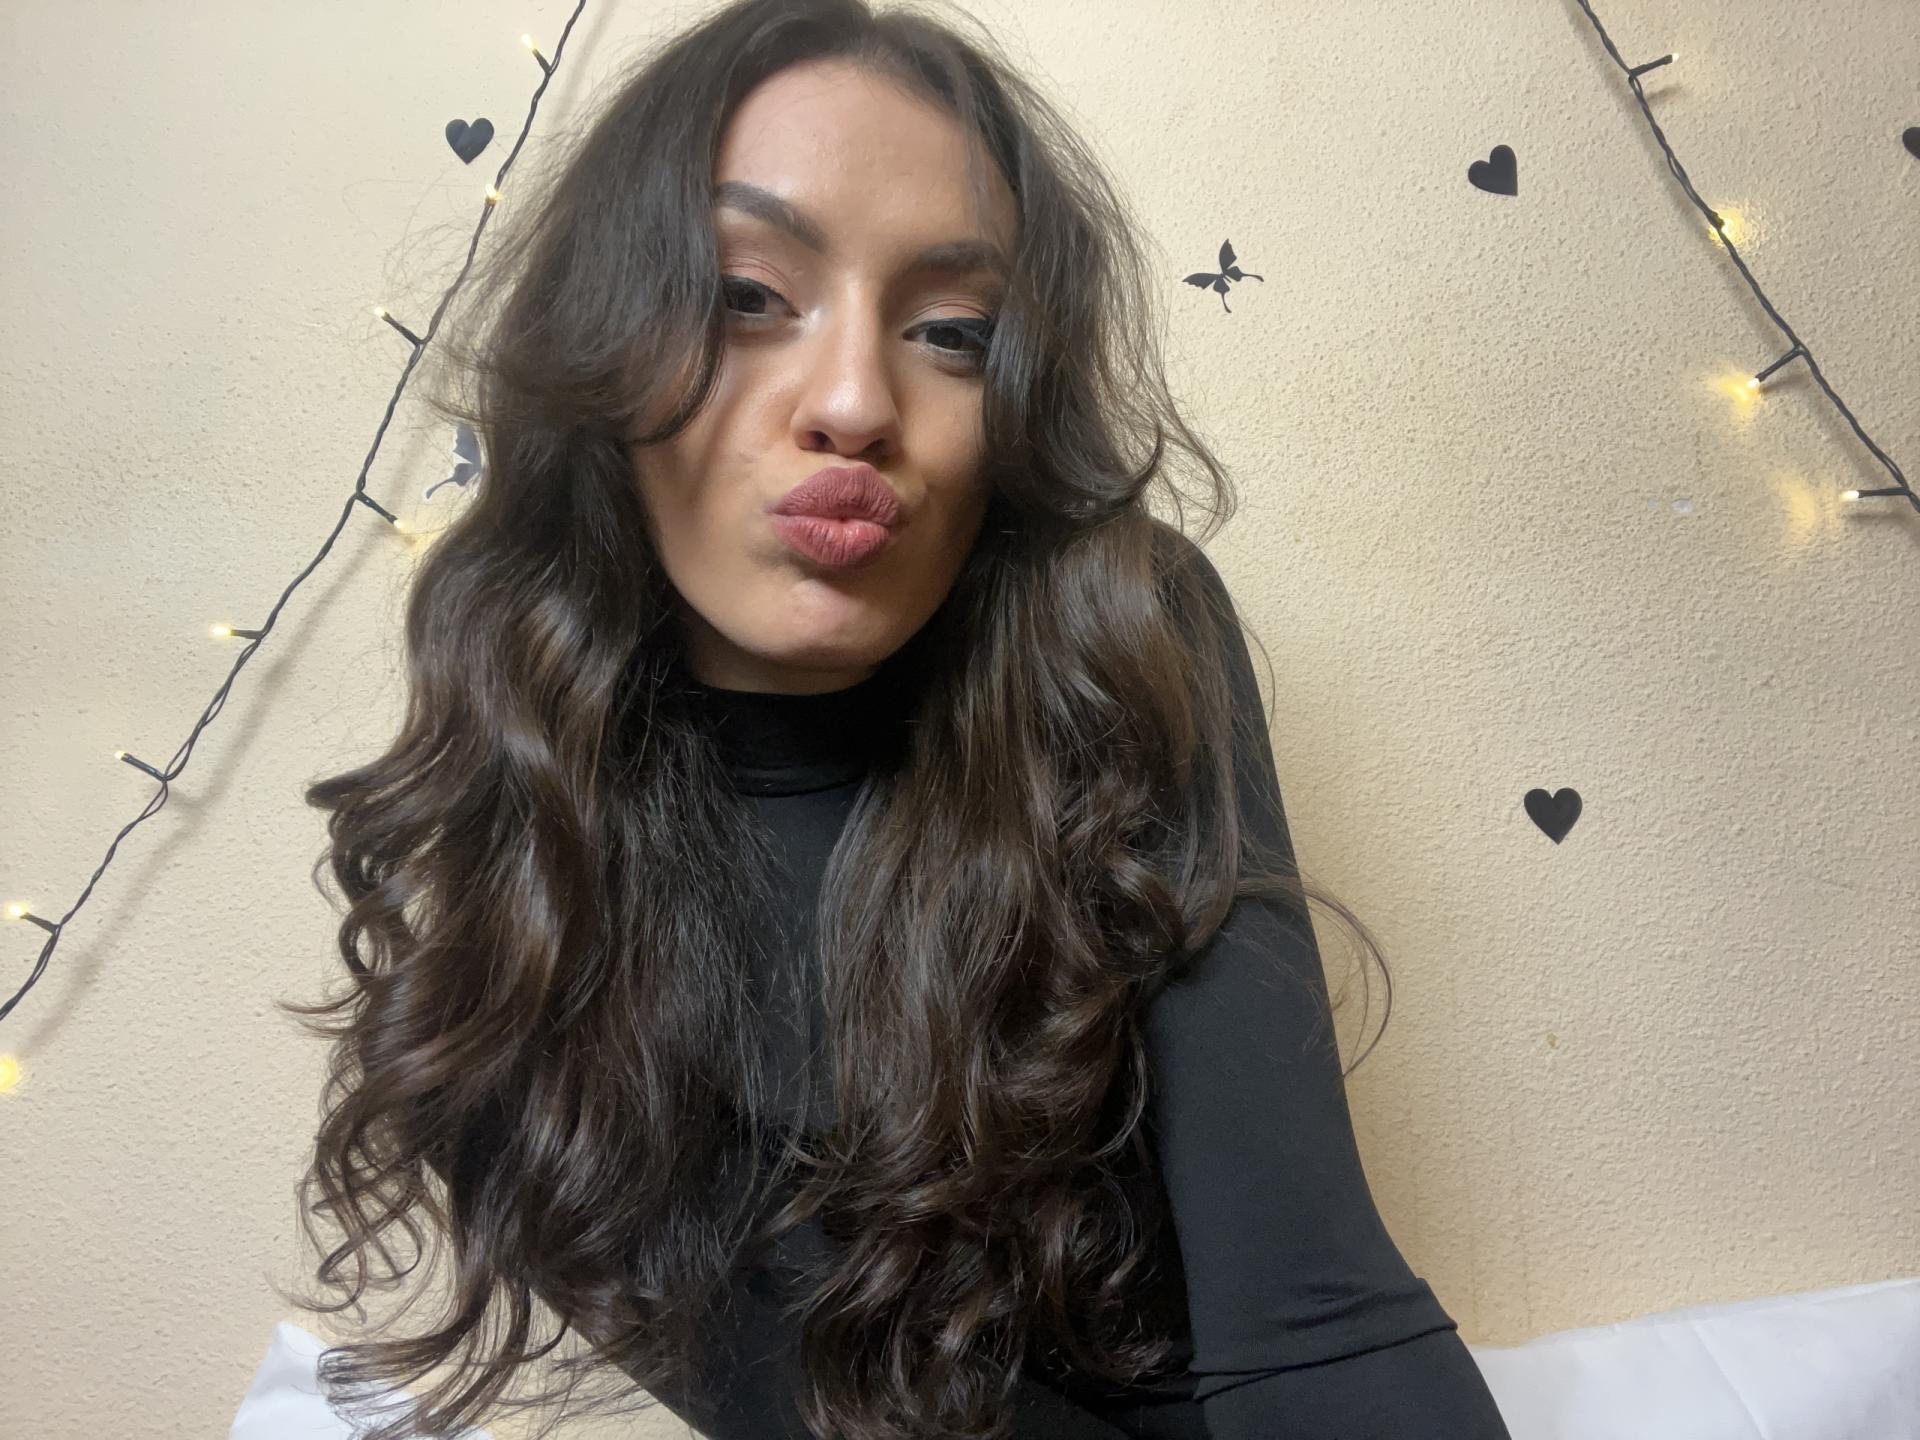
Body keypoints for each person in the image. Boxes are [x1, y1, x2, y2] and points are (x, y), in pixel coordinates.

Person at [281, 3, 1514, 1438]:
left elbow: (1312, 1317)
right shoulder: (507, 979)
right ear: (605, 349)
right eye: (749, 296)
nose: (858, 401)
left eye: (953, 333)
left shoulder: (1119, 639)